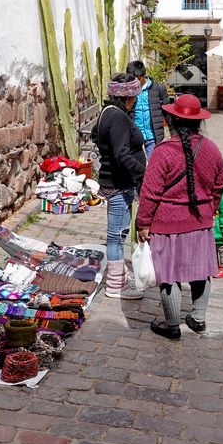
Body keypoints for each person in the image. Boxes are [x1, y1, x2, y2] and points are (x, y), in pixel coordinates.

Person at [135, 94, 223, 340]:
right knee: (202, 271)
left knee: (168, 275)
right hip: (200, 221)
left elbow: (150, 192)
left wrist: (143, 223)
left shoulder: (162, 152)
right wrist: (210, 209)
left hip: (167, 223)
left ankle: (172, 325)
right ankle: (198, 318)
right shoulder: (211, 149)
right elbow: (219, 185)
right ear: (198, 122)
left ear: (170, 121)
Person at [91, 73, 147, 299]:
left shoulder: (107, 113)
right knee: (116, 235)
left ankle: (119, 275)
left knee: (118, 233)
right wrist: (143, 173)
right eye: (135, 95)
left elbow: (97, 136)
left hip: (114, 181)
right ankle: (115, 285)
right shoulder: (119, 118)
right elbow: (121, 153)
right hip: (118, 184)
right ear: (129, 96)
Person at [126, 60, 168, 160]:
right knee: (136, 168)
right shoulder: (128, 90)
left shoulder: (158, 88)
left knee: (153, 166)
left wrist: (174, 135)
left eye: (137, 79)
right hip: (134, 137)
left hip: (152, 137)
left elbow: (167, 113)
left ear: (143, 75)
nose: (134, 82)